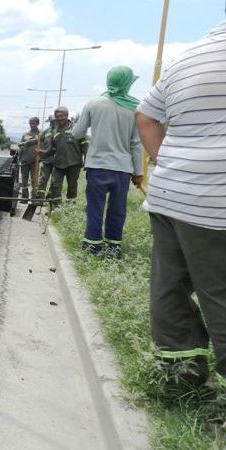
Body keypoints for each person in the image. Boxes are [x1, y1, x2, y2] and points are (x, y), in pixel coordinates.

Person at [135, 17, 226, 388]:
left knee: (169, 287)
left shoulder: (189, 56)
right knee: (219, 294)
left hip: (170, 195)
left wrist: (169, 163)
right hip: (214, 201)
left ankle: (180, 377)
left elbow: (145, 116)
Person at [73, 66, 144, 257]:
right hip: (122, 168)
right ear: (127, 83)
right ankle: (114, 246)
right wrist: (138, 173)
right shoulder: (135, 108)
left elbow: (77, 133)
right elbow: (136, 144)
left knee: (95, 207)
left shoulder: (93, 104)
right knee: (118, 209)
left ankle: (92, 246)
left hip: (97, 166)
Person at [46, 107, 87, 202]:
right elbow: (52, 149)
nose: (59, 118)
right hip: (58, 164)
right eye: (57, 116)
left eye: (61, 116)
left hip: (74, 163)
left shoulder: (76, 129)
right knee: (55, 185)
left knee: (72, 187)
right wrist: (42, 153)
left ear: (67, 116)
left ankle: (70, 207)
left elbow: (85, 146)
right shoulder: (55, 131)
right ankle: (56, 207)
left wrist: (87, 162)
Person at [17, 117, 40, 202]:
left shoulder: (41, 134)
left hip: (35, 162)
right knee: (24, 181)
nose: (32, 125)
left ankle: (34, 198)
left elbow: (40, 143)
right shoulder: (25, 134)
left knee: (34, 181)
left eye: (33, 123)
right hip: (24, 161)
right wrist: (19, 156)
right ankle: (24, 198)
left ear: (38, 124)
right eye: (30, 123)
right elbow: (21, 146)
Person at [35, 115, 56, 199]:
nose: (52, 123)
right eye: (51, 121)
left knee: (54, 182)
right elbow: (39, 142)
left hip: (57, 162)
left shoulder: (61, 131)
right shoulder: (46, 132)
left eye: (54, 121)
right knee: (43, 180)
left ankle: (50, 198)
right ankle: (39, 198)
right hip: (46, 160)